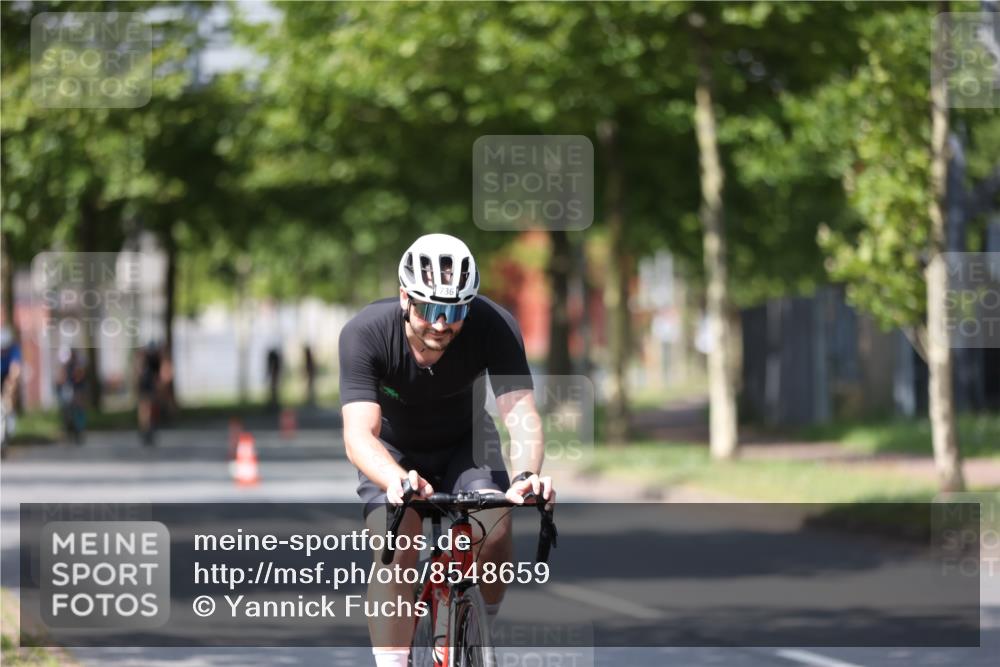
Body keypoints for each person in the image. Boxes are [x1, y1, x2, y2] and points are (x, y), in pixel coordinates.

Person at [338, 233, 556, 667]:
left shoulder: (493, 324)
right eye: (430, 309)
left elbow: (520, 415)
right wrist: (395, 480)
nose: (441, 323)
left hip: (465, 443)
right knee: (396, 541)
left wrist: (526, 477)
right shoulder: (366, 333)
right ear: (405, 297)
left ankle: (476, 625)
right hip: (394, 453)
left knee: (494, 528)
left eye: (454, 311)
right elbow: (359, 433)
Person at [56, 347, 86, 444]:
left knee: (78, 412)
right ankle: (71, 432)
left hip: (77, 391)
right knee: (68, 413)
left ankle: (79, 432)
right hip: (70, 391)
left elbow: (79, 379)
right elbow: (62, 380)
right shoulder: (67, 366)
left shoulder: (77, 366)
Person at [1, 327, 23, 456]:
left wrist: (11, 383)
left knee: (8, 397)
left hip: (7, 376)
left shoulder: (14, 350)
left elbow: (15, 369)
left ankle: (10, 419)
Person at [136, 342, 163, 445]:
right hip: (146, 386)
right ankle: (146, 429)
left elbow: (157, 376)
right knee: (146, 409)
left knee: (147, 409)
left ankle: (147, 429)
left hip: (148, 386)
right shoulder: (151, 360)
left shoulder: (153, 361)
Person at [266, 345, 283, 411]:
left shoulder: (274, 364)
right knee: (273, 389)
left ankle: (273, 404)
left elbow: (272, 369)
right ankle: (273, 404)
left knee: (274, 389)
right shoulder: (275, 364)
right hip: (274, 377)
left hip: (274, 377)